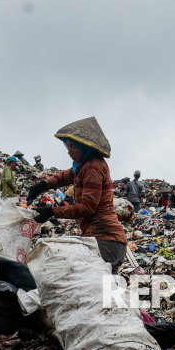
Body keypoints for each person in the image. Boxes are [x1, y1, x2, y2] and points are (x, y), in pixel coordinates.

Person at [26, 117, 126, 274]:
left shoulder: (93, 168)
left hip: (105, 238)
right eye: (68, 146)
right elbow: (67, 176)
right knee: (101, 289)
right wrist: (44, 184)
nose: (69, 151)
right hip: (102, 238)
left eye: (73, 147)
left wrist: (52, 212)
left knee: (98, 288)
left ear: (84, 147)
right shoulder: (84, 166)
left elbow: (87, 208)